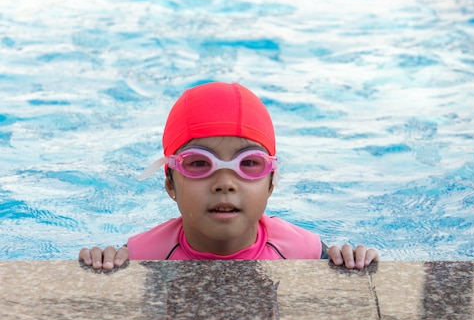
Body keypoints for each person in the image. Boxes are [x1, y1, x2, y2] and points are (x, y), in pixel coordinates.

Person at [79, 82, 378, 271]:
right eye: (198, 163)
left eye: (249, 163)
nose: (225, 183)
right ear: (170, 182)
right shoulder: (143, 255)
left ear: (271, 182)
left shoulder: (304, 251)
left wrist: (351, 259)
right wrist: (101, 262)